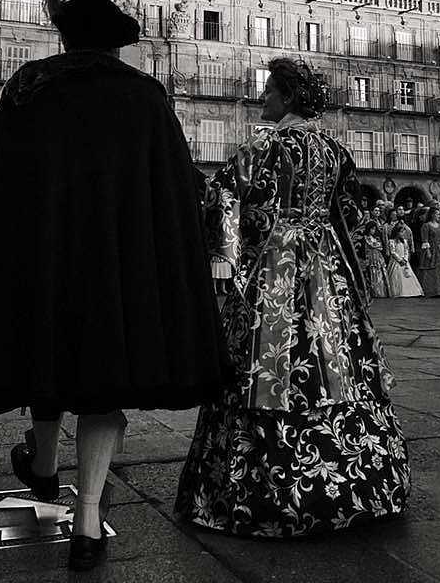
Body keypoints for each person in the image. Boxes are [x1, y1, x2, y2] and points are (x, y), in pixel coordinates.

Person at [0, 0, 230, 572]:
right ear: (118, 44)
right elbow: (178, 188)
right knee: (101, 383)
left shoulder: (29, 89)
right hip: (118, 268)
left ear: (65, 38)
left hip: (43, 259)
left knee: (47, 358)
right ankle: (88, 520)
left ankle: (45, 466)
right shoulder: (146, 98)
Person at [176, 57, 410, 537]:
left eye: (268, 91)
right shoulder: (335, 150)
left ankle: (257, 493)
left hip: (275, 269)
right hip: (327, 270)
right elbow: (351, 214)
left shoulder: (264, 145)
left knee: (266, 358)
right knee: (337, 360)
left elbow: (223, 198)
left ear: (286, 97)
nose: (263, 98)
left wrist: (229, 253)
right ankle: (360, 483)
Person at [388, 223, 424, 297]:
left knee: (408, 274)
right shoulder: (392, 241)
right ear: (396, 232)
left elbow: (406, 251)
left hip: (404, 261)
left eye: (403, 232)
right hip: (396, 261)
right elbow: (393, 252)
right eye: (401, 232)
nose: (403, 234)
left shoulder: (404, 241)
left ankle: (412, 291)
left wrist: (405, 259)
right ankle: (398, 292)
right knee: (397, 276)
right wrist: (400, 260)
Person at [363, 220, 390, 297]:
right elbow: (372, 245)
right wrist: (377, 245)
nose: (373, 231)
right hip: (371, 257)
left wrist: (377, 245)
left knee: (380, 273)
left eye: (374, 229)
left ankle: (382, 291)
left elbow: (380, 246)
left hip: (378, 256)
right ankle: (375, 292)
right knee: (373, 273)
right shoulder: (366, 237)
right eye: (372, 229)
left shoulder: (375, 238)